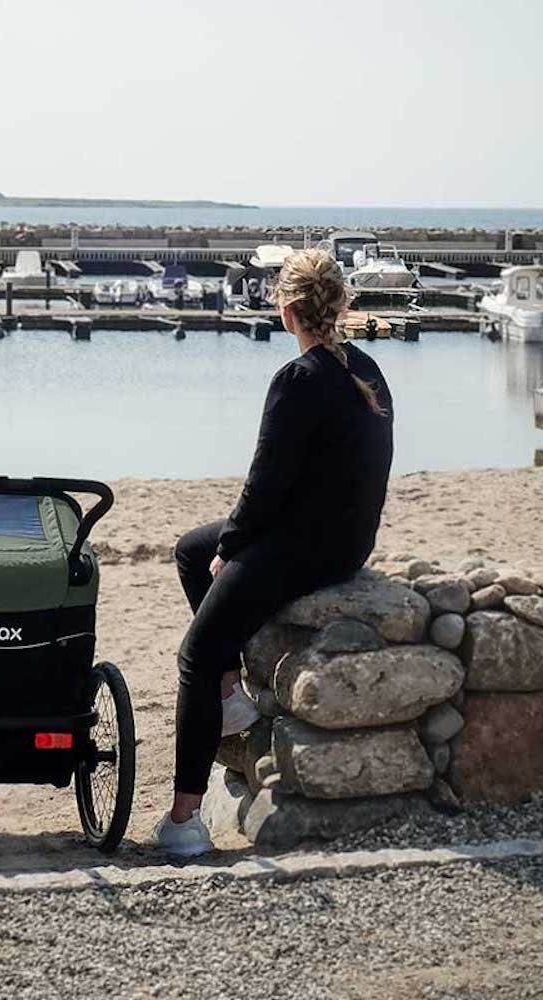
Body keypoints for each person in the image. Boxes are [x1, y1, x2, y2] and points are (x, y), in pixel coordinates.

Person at [151, 248, 394, 857]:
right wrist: (229, 545)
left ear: (287, 312)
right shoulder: (366, 368)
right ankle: (232, 696)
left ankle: (184, 822)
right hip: (346, 541)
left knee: (195, 654)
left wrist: (233, 549)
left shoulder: (297, 379)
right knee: (189, 550)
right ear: (339, 304)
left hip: (301, 546)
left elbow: (264, 484)